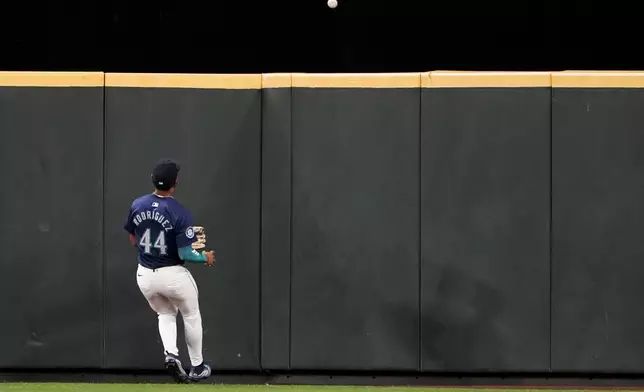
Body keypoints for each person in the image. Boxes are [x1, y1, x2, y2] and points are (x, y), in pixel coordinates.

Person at [123, 159, 215, 383]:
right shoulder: (180, 212)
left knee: (165, 313)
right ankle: (197, 366)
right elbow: (185, 254)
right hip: (172, 273)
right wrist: (205, 256)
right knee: (191, 314)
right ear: (175, 183)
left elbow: (133, 239)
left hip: (145, 275)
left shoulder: (137, 204)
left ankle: (171, 354)